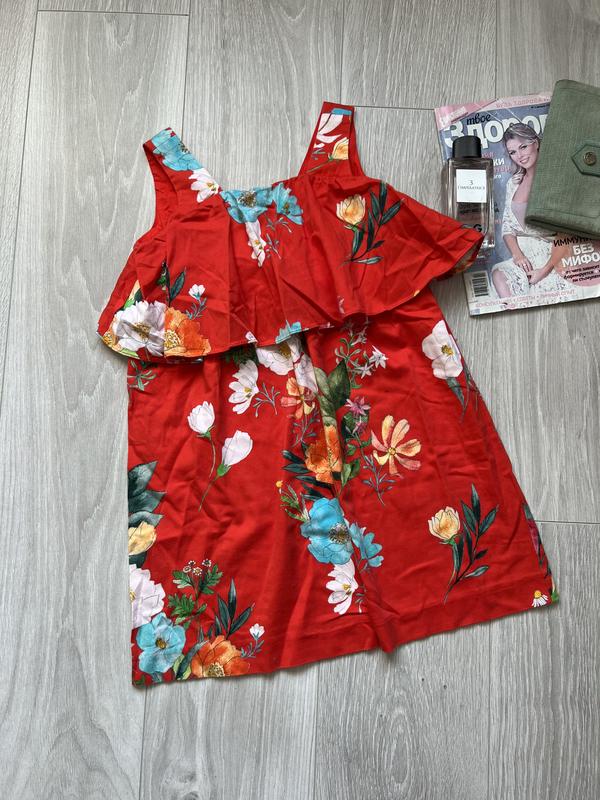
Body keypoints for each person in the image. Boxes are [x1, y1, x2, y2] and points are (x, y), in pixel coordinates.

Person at [490, 122, 571, 304]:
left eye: (523, 147)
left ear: (536, 143)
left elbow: (567, 234)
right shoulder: (513, 183)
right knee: (498, 275)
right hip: (523, 257)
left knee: (540, 296)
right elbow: (507, 227)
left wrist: (544, 271)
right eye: (512, 152)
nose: (519, 156)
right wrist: (517, 255)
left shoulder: (556, 179)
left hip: (552, 257)